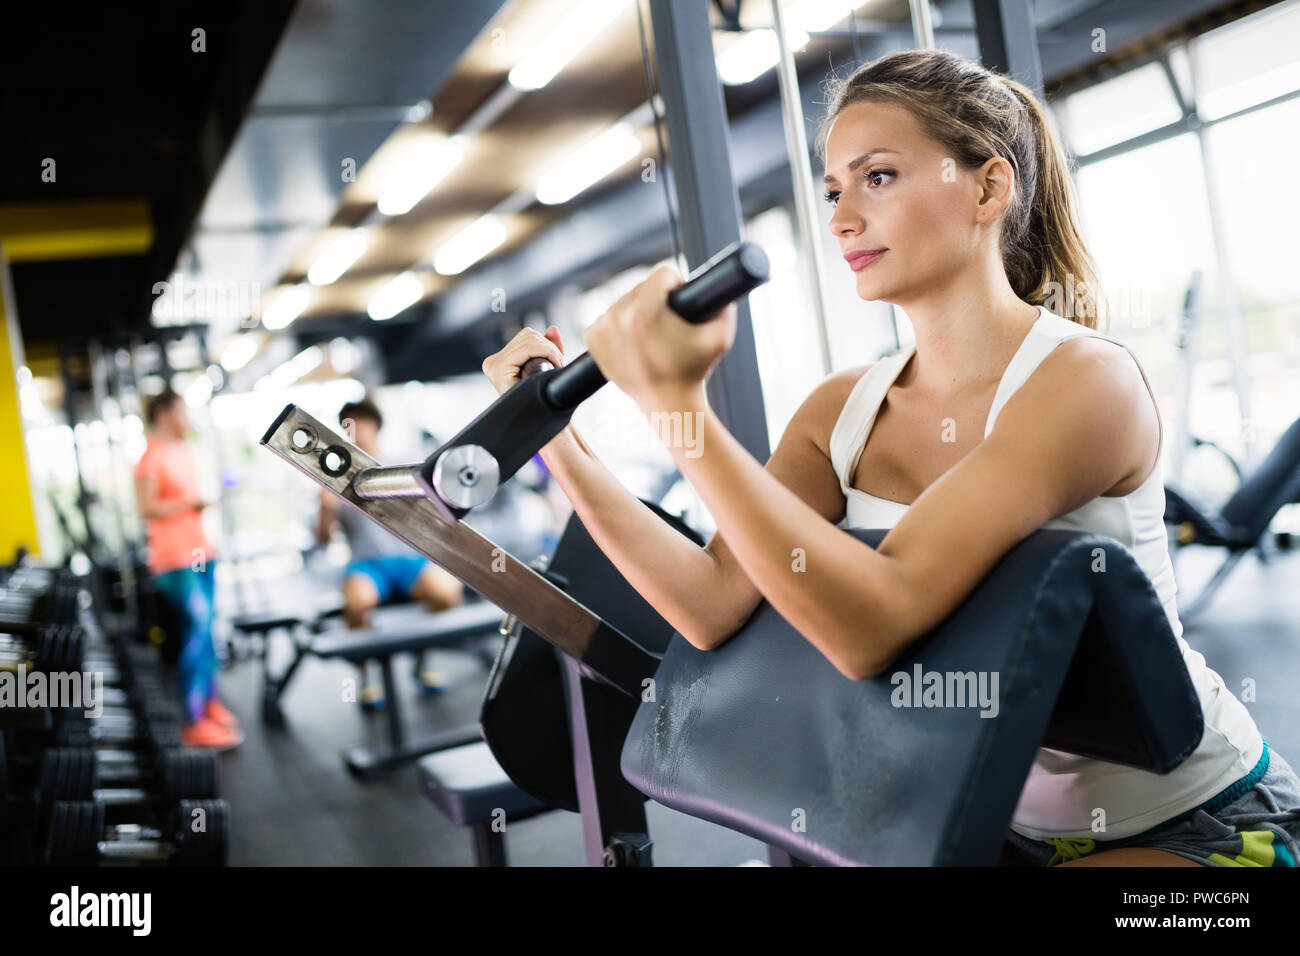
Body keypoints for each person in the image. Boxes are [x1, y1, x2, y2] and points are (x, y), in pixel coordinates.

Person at [480, 48, 1300, 868]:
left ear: (988, 187)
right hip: (993, 823)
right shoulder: (840, 410)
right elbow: (712, 603)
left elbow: (874, 624)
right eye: (834, 189)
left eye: (877, 178)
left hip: (1200, 825)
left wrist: (677, 406)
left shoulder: (1085, 383)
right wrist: (558, 442)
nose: (839, 219)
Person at [316, 397, 464, 710]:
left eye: (362, 424)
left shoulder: (400, 467)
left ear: (376, 427)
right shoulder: (333, 479)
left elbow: (433, 518)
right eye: (348, 427)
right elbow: (323, 540)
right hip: (368, 566)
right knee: (356, 603)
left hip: (409, 561)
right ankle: (367, 677)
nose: (356, 432)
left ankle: (423, 660)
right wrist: (325, 511)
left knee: (447, 592)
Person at [133, 388, 241, 750]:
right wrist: (189, 502)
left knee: (207, 630)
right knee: (197, 629)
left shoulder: (182, 450)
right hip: (173, 561)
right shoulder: (150, 457)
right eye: (182, 412)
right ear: (164, 414)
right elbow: (146, 507)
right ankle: (191, 720)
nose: (188, 419)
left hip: (199, 553)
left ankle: (210, 703)